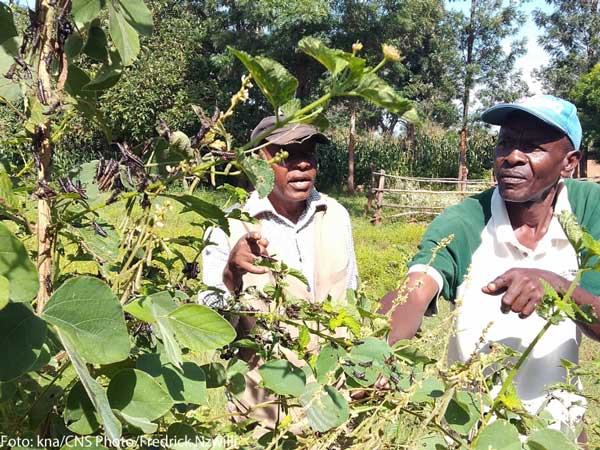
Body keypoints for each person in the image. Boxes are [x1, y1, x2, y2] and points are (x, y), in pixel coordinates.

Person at [382, 95, 600, 432]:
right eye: (506, 143)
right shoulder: (467, 220)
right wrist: (377, 353)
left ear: (569, 162)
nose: (512, 157)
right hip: (473, 429)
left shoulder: (588, 210)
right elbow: (414, 290)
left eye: (532, 146)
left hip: (561, 429)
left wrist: (556, 285)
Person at [200, 116, 358, 432]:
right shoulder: (228, 227)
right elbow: (208, 328)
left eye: (309, 153)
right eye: (287, 153)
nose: (302, 165)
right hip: (263, 412)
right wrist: (231, 272)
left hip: (334, 405)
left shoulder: (336, 216)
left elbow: (351, 301)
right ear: (259, 158)